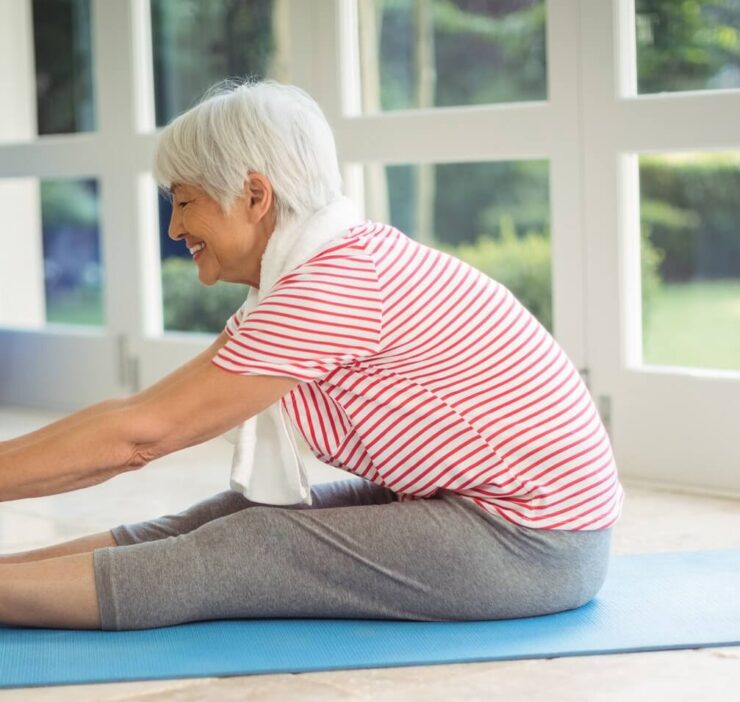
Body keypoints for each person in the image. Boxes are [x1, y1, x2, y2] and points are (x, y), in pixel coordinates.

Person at [0, 78, 624, 631]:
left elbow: (140, 437)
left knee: (253, 544)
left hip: (536, 541)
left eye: (185, 202)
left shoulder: (334, 285)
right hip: (505, 519)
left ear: (254, 195)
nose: (174, 229)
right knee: (225, 516)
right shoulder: (323, 269)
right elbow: (141, 412)